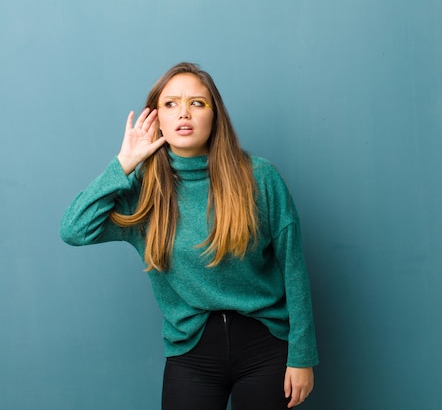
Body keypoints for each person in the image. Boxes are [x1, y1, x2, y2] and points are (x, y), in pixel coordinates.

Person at [60, 62, 318, 410]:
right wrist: (123, 163)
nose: (184, 112)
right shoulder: (144, 193)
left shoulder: (260, 178)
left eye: (197, 103)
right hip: (192, 353)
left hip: (266, 348)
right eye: (170, 104)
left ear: (215, 116)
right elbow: (74, 229)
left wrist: (302, 357)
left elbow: (293, 269)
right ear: (156, 120)